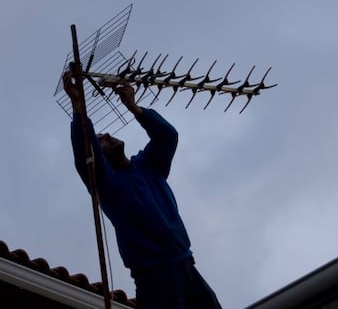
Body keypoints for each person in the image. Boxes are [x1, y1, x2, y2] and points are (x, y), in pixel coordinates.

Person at [63, 71, 222, 309]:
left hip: (186, 265)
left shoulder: (148, 166)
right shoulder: (109, 186)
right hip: (155, 277)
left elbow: (168, 136)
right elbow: (86, 156)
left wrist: (133, 107)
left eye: (104, 135)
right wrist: (78, 107)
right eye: (100, 140)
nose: (105, 135)